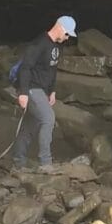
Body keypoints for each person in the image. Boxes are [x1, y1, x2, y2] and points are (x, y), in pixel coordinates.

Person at [12, 15, 77, 171]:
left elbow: (52, 70)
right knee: (48, 118)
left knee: (30, 125)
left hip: (42, 89)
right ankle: (45, 163)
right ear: (60, 28)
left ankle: (18, 163)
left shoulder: (57, 46)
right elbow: (25, 68)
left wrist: (52, 91)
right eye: (67, 34)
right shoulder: (39, 44)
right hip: (32, 88)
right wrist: (23, 93)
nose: (67, 38)